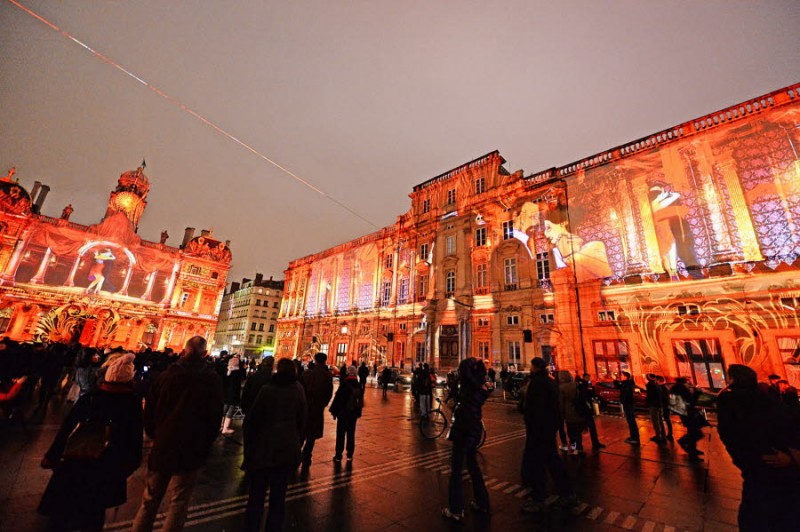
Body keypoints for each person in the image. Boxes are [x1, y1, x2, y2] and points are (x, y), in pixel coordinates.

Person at [39, 353, 142, 532]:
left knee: (63, 513)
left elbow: (66, 430)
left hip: (74, 461)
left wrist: (52, 455)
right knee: (94, 515)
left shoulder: (90, 398)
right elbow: (134, 439)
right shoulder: (132, 404)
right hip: (106, 467)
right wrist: (130, 464)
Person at [131, 336, 223, 532]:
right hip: (192, 447)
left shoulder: (167, 375)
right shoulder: (211, 379)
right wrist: (206, 443)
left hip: (164, 444)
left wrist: (155, 434)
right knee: (179, 501)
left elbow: (150, 411)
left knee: (149, 500)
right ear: (205, 354)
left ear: (183, 350)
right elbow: (215, 417)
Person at [717, 364, 800, 531]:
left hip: (756, 469)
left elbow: (728, 435)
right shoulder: (769, 401)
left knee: (755, 515)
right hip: (779, 471)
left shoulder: (729, 402)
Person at [242, 358, 307, 532]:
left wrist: (249, 447)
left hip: (263, 449)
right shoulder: (298, 390)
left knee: (256, 496)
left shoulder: (267, 389)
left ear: (276, 370)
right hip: (287, 449)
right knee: (278, 498)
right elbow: (302, 420)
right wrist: (297, 442)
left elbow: (252, 420)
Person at [521, 358, 576, 514]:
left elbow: (535, 408)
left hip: (538, 429)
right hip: (548, 428)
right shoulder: (551, 382)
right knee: (552, 461)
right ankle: (568, 493)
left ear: (535, 367)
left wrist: (532, 424)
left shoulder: (537, 383)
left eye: (531, 365)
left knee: (538, 465)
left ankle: (538, 499)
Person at [442, 358, 490, 522]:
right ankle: (482, 502)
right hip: (474, 430)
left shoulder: (468, 390)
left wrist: (455, 406)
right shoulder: (479, 388)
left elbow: (461, 407)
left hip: (463, 430)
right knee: (473, 466)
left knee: (456, 471)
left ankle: (456, 509)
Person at [299, 352, 333, 467]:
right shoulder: (327, 375)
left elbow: (300, 388)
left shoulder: (308, 372)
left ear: (315, 360)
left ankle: (296, 453)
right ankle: (306, 456)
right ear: (325, 361)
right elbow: (329, 392)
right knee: (312, 435)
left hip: (304, 407)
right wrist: (323, 404)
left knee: (301, 431)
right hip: (317, 408)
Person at [329, 366, 363, 462]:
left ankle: (338, 455)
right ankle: (350, 454)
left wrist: (334, 412)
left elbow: (338, 399)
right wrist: (358, 413)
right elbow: (360, 401)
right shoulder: (358, 385)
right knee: (351, 434)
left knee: (340, 434)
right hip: (353, 414)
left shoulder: (344, 384)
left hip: (343, 413)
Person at [669, 377, 704, 463]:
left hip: (684, 413)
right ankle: (691, 452)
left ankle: (692, 450)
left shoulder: (677, 388)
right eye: (688, 382)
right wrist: (697, 392)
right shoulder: (682, 389)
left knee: (693, 432)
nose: (690, 383)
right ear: (684, 382)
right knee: (695, 433)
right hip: (688, 413)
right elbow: (691, 401)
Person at [556, 370, 587, 455]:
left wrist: (561, 415)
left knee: (571, 429)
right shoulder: (575, 384)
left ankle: (573, 445)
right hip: (578, 409)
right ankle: (579, 447)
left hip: (569, 411)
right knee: (578, 430)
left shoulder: (561, 387)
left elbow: (561, 403)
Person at [577, 373, 605, 450]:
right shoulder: (583, 385)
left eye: (588, 377)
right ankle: (579, 446)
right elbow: (587, 395)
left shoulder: (584, 384)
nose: (588, 378)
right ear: (584, 377)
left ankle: (581, 445)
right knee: (586, 427)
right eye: (587, 377)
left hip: (585, 409)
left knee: (588, 427)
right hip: (586, 409)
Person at [221, 355, 245, 435]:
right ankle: (225, 428)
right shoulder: (237, 371)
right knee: (230, 411)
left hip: (225, 393)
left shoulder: (226, 370)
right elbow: (242, 378)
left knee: (224, 410)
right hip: (233, 394)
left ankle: (220, 425)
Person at [616, 372, 640, 445]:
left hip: (628, 403)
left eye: (622, 376)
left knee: (631, 420)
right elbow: (618, 386)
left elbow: (622, 389)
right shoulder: (627, 383)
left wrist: (623, 399)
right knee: (630, 420)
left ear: (626, 377)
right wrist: (616, 380)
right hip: (628, 403)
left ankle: (635, 438)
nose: (621, 377)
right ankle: (633, 436)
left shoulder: (627, 384)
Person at [646, 373, 666, 444]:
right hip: (659, 405)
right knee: (660, 421)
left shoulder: (650, 385)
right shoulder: (657, 385)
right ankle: (663, 436)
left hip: (654, 405)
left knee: (656, 421)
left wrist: (648, 403)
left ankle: (658, 437)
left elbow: (650, 396)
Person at [657, 376, 673, 441]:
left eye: (657, 381)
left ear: (660, 381)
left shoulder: (662, 388)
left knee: (667, 419)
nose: (657, 382)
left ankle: (669, 434)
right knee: (667, 419)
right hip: (666, 406)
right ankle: (670, 433)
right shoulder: (665, 388)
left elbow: (663, 398)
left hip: (665, 406)